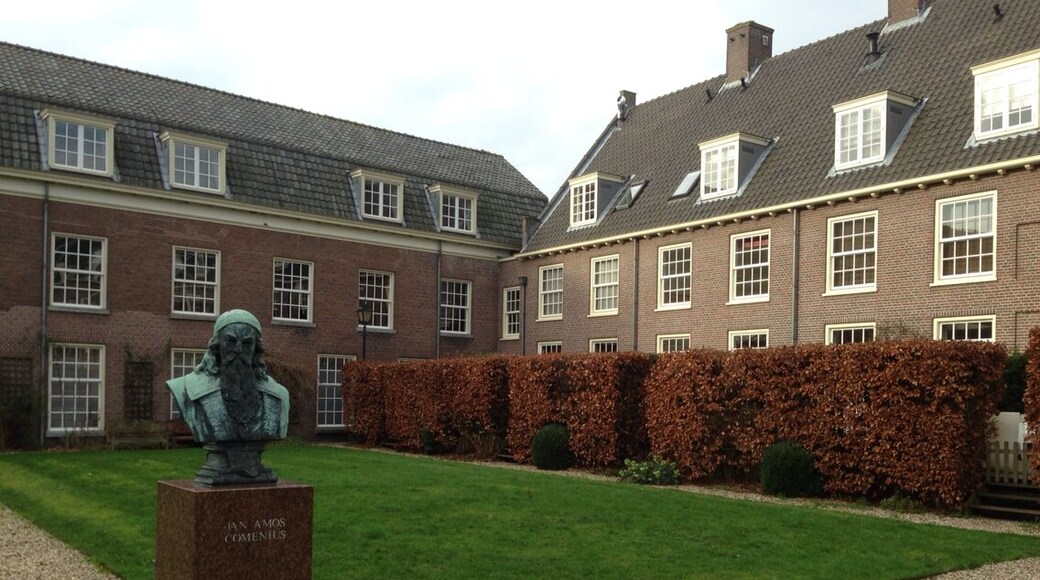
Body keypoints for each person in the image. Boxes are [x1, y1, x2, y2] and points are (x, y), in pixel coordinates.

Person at [168, 309, 289, 444]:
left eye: (247, 343)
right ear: (217, 346)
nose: (238, 349)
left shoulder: (278, 395)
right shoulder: (187, 387)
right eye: (230, 341)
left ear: (256, 349)